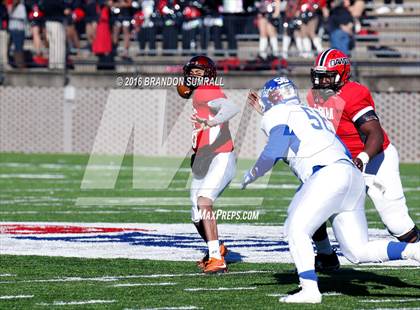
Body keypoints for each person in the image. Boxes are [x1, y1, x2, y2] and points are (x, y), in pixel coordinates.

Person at [243, 77, 420, 304]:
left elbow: (277, 145)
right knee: (357, 251)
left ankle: (309, 290)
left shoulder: (275, 115)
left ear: (272, 98)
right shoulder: (312, 113)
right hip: (351, 174)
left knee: (295, 229)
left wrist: (253, 173)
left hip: (327, 176)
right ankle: (413, 252)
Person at [307, 48, 419, 271]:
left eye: (327, 75)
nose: (321, 80)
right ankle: (326, 255)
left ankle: (416, 248)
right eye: (318, 75)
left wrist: (362, 158)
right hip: (342, 163)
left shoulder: (354, 93)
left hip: (375, 160)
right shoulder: (315, 96)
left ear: (342, 73)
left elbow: (375, 134)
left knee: (397, 223)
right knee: (309, 202)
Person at [177, 55, 239, 273]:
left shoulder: (207, 90)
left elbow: (231, 108)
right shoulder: (199, 91)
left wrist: (212, 121)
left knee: (204, 202)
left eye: (197, 73)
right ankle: (217, 248)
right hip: (205, 158)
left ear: (208, 75)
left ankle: (216, 259)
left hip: (220, 156)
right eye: (190, 72)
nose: (192, 77)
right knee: (196, 212)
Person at [41, 0, 67, 69]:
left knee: (52, 46)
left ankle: (52, 65)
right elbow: (65, 10)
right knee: (59, 45)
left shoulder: (45, 2)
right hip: (56, 23)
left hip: (48, 23)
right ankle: (59, 65)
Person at [8, 0, 26, 68]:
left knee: (19, 48)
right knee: (13, 48)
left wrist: (13, 17)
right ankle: (16, 63)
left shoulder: (21, 6)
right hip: (12, 29)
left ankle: (20, 64)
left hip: (19, 30)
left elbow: (23, 17)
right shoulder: (10, 6)